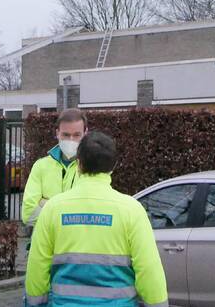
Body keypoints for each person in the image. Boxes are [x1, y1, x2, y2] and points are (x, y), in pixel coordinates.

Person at [25, 131, 168, 307]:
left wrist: (35, 303)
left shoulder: (53, 208)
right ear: (113, 166)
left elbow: (37, 266)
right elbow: (148, 269)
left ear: (79, 164)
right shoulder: (132, 210)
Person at [21, 108, 86, 227]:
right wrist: (72, 215)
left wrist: (45, 203)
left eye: (77, 135)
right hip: (48, 245)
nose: (71, 140)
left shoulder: (92, 168)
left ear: (85, 134)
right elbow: (28, 214)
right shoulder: (41, 166)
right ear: (57, 133)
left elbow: (91, 212)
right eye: (66, 135)